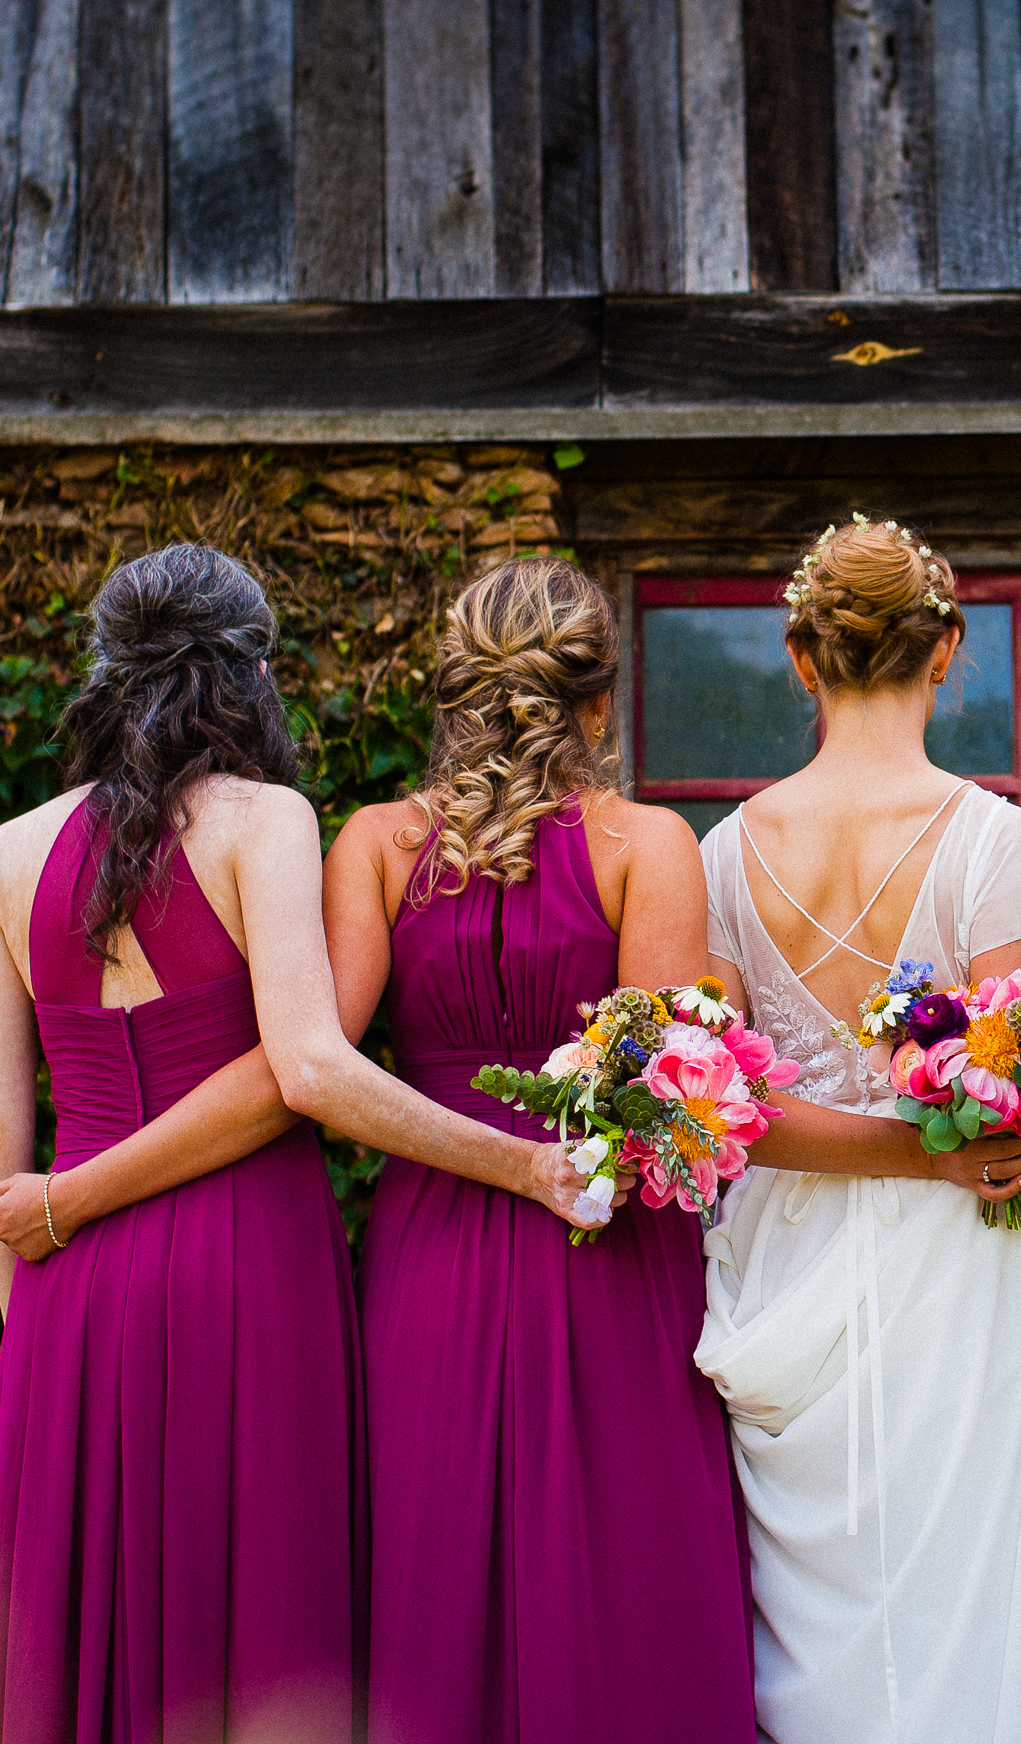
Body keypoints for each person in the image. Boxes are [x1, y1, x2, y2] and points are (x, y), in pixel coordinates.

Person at [321, 556, 756, 1744]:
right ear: (602, 704)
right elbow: (662, 1090)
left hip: (428, 1244)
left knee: (434, 1546)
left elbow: (327, 1069)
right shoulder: (646, 844)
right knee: (622, 1568)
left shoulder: (371, 845)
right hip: (603, 1236)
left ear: (450, 697)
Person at [692, 517, 1021, 1744]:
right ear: (949, 653)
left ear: (800, 661)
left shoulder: (722, 855)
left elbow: (721, 1116)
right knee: (982, 1582)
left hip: (783, 1256)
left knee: (816, 1612)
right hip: (964, 1247)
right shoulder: (1002, 846)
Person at [0, 544, 360, 1744]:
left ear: (103, 673)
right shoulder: (268, 821)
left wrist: (35, 1312)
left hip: (66, 1289)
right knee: (260, 1624)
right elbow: (302, 1070)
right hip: (253, 1268)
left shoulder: (7, 854)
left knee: (82, 1636)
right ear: (253, 676)